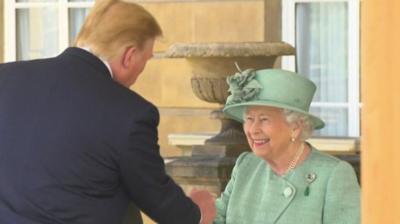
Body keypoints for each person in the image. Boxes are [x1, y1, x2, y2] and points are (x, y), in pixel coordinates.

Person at [0, 0, 215, 223]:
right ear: (129, 56)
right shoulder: (130, 114)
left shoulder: (5, 79)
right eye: (146, 59)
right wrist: (199, 212)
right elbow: (159, 200)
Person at [213, 68, 360, 224]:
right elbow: (214, 218)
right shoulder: (246, 166)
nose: (253, 130)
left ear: (295, 127)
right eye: (249, 119)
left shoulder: (333, 175)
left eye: (264, 120)